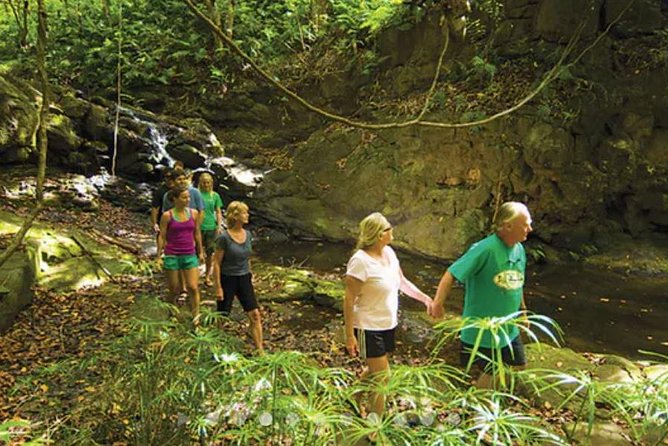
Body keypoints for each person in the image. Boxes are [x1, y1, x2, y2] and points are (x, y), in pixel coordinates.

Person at [430, 202, 533, 389]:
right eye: (525, 224)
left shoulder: (519, 249)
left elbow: (517, 282)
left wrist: (523, 312)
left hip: (508, 328)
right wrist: (438, 303)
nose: (530, 229)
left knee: (518, 365)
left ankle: (488, 402)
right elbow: (451, 274)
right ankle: (477, 410)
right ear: (508, 225)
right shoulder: (485, 249)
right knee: (492, 371)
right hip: (484, 330)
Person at [344, 212, 433, 418]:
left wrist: (425, 299)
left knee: (376, 370)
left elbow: (402, 281)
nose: (392, 230)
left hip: (387, 324)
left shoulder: (389, 253)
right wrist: (349, 336)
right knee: (383, 378)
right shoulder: (360, 262)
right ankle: (376, 424)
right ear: (378, 234)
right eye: (387, 228)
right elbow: (349, 300)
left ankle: (353, 396)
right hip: (367, 326)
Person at [213, 201, 264, 353]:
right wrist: (218, 288)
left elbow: (247, 257)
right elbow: (216, 263)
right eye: (244, 213)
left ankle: (260, 349)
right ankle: (217, 345)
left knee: (255, 314)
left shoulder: (248, 235)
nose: (247, 215)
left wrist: (250, 274)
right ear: (235, 216)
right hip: (227, 279)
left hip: (244, 278)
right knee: (223, 316)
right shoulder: (224, 238)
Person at [156, 186, 204, 325]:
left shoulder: (194, 213)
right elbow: (162, 235)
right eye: (184, 197)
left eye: (188, 197)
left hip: (189, 254)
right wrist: (159, 255)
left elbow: (197, 233)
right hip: (172, 255)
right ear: (175, 199)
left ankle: (196, 316)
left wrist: (200, 252)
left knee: (193, 287)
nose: (188, 200)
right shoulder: (167, 216)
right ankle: (171, 311)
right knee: (174, 288)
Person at [197, 172, 224, 287]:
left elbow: (218, 211)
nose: (206, 184)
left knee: (210, 253)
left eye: (208, 182)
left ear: (211, 183)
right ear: (200, 183)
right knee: (196, 252)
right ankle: (194, 276)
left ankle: (207, 276)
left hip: (211, 227)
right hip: (198, 227)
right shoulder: (196, 194)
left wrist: (219, 225)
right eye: (204, 182)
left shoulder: (215, 196)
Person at [150, 168, 174, 240]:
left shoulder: (179, 189)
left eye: (172, 177)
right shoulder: (160, 191)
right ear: (164, 178)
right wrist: (154, 223)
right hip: (163, 221)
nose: (170, 179)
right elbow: (155, 207)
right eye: (167, 177)